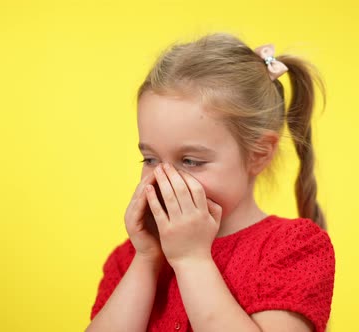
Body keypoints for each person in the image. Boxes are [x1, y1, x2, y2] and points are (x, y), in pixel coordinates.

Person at [85, 32, 335, 332]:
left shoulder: (292, 248)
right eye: (150, 159)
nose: (164, 179)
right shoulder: (128, 260)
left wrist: (192, 259)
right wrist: (147, 260)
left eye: (190, 161)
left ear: (258, 154)